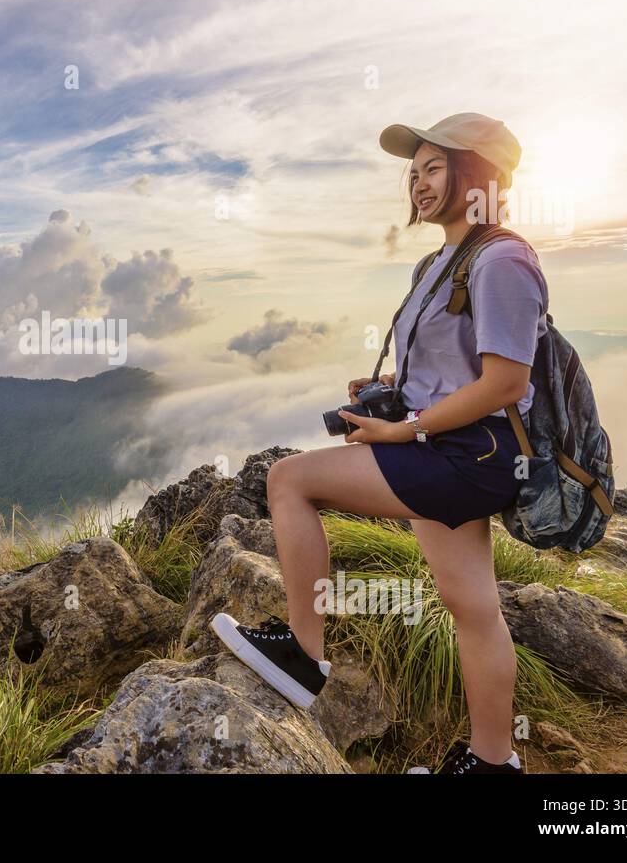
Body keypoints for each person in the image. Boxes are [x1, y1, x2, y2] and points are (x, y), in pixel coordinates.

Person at [211, 113, 548, 774]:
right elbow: (464, 366)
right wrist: (395, 385)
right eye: (414, 171)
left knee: (289, 480)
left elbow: (508, 380)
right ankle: (492, 760)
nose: (418, 183)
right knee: (472, 605)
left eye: (433, 167)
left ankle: (304, 657)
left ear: (476, 173)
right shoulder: (441, 260)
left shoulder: (504, 257)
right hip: (453, 447)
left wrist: (404, 428)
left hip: (466, 455)